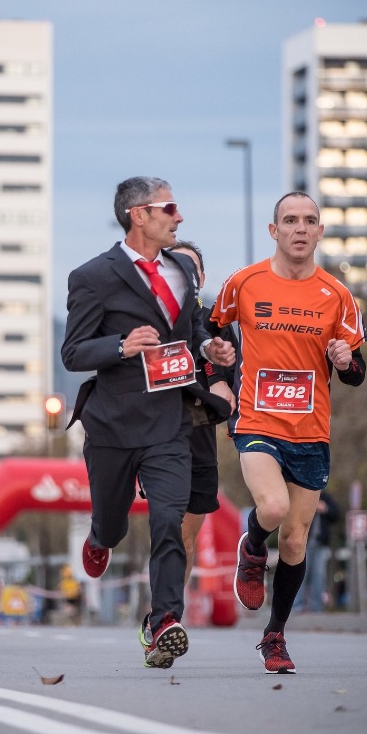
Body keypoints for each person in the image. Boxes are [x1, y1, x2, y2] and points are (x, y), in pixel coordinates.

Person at [62, 177, 235, 669]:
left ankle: (163, 620)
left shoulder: (182, 268)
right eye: (170, 208)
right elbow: (72, 352)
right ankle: (100, 537)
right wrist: (119, 346)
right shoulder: (92, 276)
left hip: (169, 421)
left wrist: (209, 347)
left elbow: (192, 327)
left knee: (168, 520)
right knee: (114, 525)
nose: (179, 218)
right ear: (138, 215)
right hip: (115, 425)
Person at [210, 191, 367, 674]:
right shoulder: (244, 283)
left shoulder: (337, 295)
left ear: (320, 232)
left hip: (311, 430)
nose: (301, 228)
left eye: (310, 221)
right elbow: (209, 326)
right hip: (257, 420)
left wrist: (346, 362)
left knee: (296, 541)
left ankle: (275, 635)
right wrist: (216, 359)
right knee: (273, 508)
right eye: (290, 220)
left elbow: (358, 370)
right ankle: (251, 546)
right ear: (273, 231)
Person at [169, 240, 236, 584]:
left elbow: (229, 374)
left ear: (202, 276)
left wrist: (221, 383)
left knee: (185, 539)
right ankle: (165, 614)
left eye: (190, 267)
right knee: (169, 534)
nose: (182, 272)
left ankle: (167, 613)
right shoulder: (152, 321)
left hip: (200, 439)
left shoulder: (214, 322)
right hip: (161, 438)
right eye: (174, 265)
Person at [292, 490, 340, 613]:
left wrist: (326, 509)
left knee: (319, 576)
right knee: (300, 574)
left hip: (320, 544)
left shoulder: (325, 497)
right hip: (303, 543)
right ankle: (297, 606)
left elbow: (336, 515)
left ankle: (317, 608)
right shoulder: (301, 495)